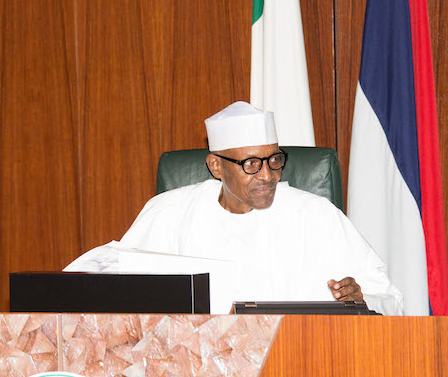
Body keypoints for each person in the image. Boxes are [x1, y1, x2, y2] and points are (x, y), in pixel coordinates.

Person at [65, 101, 403, 315]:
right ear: (216, 166)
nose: (268, 175)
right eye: (251, 164)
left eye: (274, 159)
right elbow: (109, 285)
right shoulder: (170, 213)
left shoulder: (316, 216)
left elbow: (391, 300)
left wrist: (361, 301)